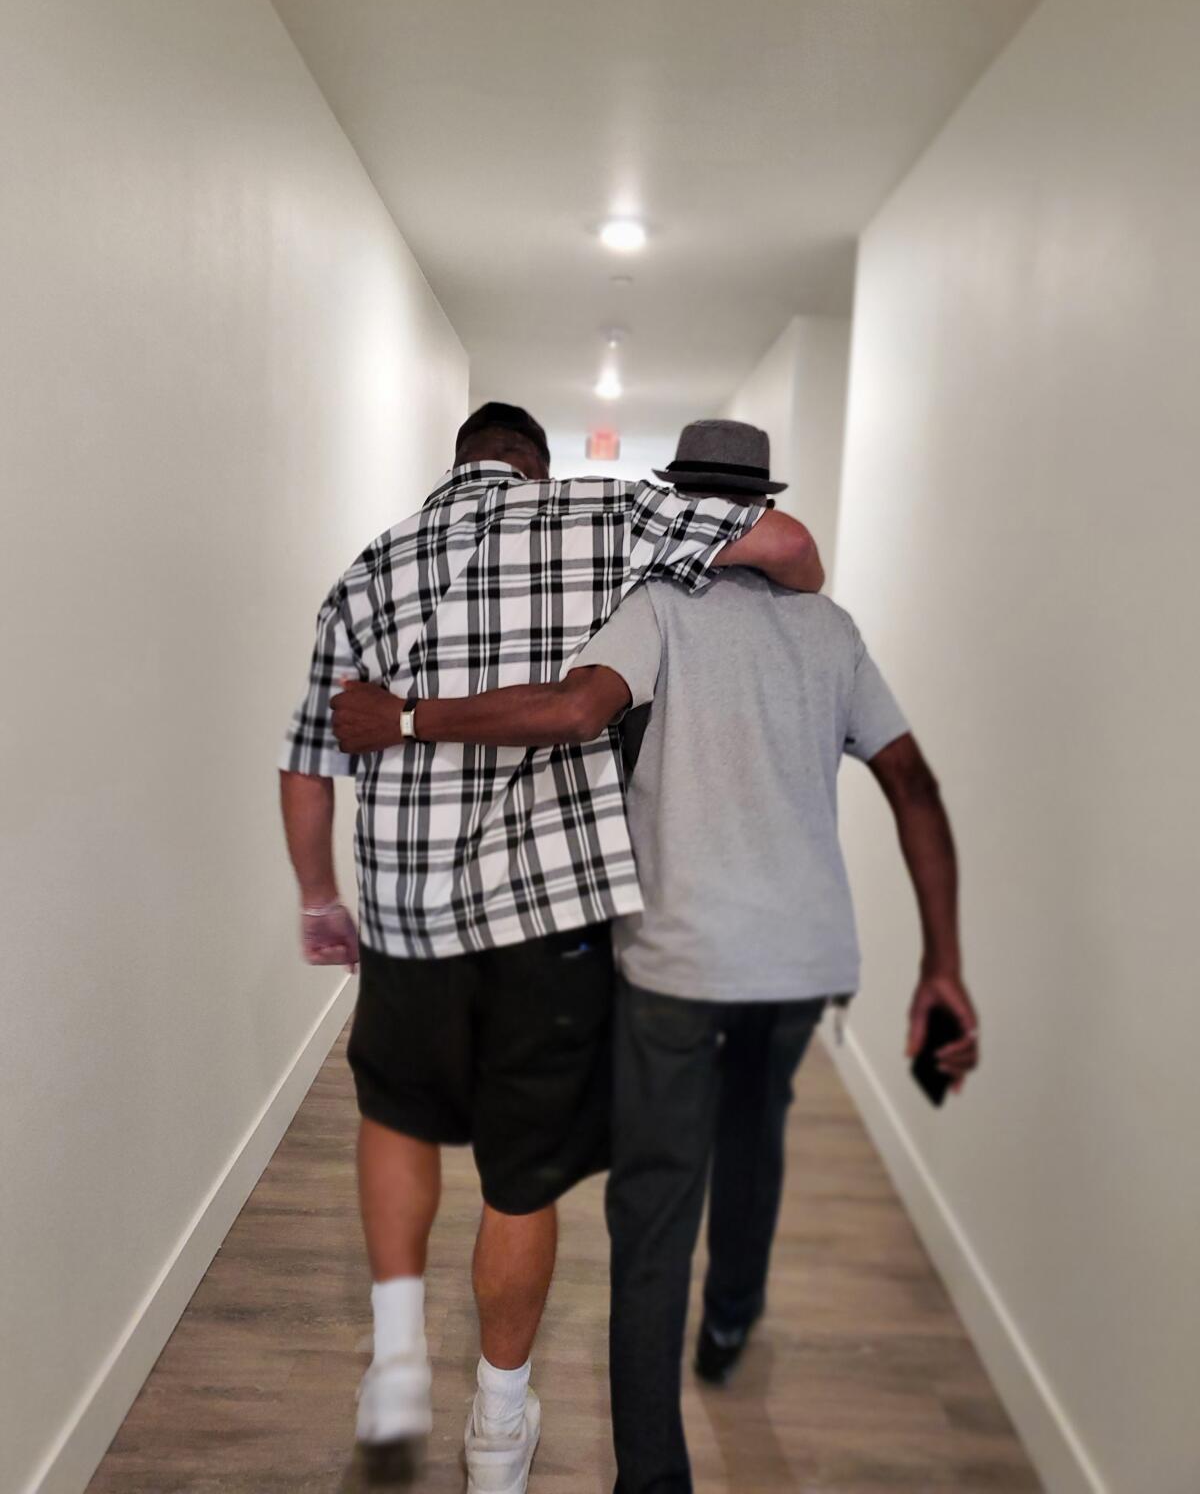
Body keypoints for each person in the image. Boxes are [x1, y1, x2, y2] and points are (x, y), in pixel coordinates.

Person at [331, 418, 979, 1494]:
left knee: (651, 1221)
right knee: (754, 1132)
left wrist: (405, 718)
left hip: (679, 959)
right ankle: (730, 1321)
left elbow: (573, 710)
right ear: (757, 505)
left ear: (684, 498)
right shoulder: (833, 628)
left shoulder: (655, 607)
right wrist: (943, 962)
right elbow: (912, 782)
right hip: (802, 954)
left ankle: (652, 1479)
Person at [278, 402, 823, 1490]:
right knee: (519, 1177)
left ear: (458, 465)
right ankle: (498, 1424)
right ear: (535, 464)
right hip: (547, 915)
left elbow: (310, 757)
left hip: (406, 911)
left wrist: (317, 895)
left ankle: (393, 1363)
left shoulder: (368, 565)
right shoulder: (605, 514)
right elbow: (794, 554)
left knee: (396, 1115)